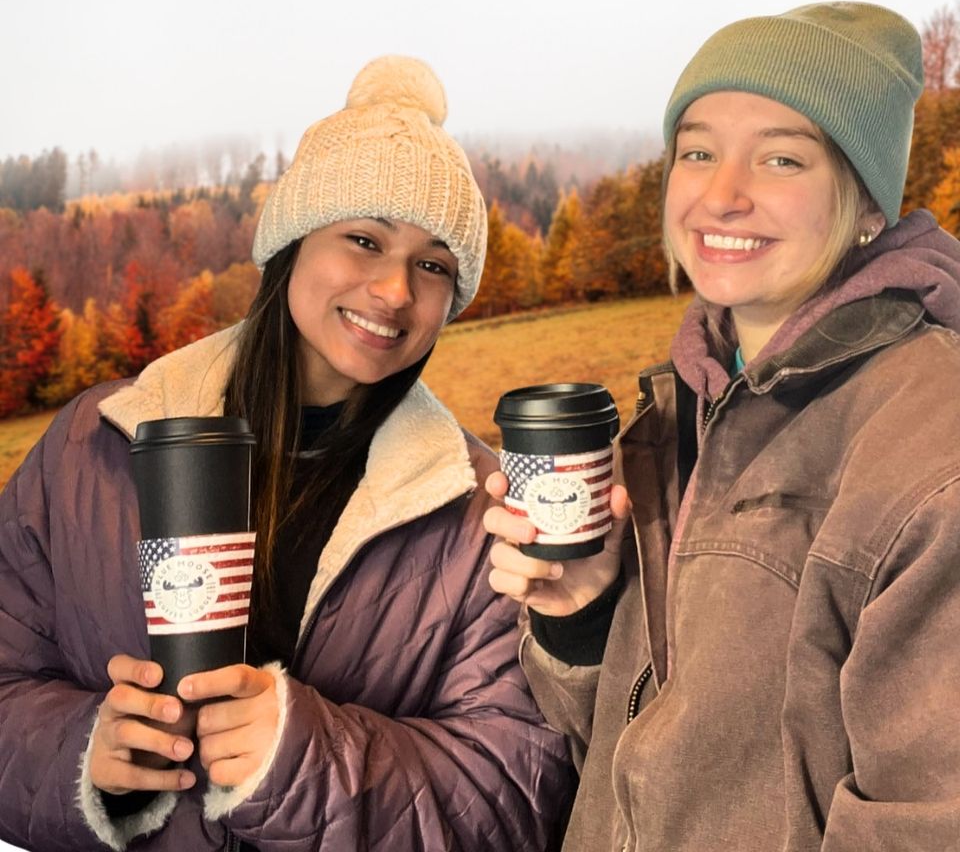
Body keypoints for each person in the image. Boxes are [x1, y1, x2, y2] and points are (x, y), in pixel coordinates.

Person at [0, 56, 572, 851]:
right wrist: (81, 754)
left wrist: (301, 759)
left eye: (434, 264)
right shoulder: (90, 448)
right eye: (364, 239)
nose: (397, 291)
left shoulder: (482, 510)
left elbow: (517, 795)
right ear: (292, 245)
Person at [484, 2, 960, 850]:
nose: (722, 194)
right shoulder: (682, 411)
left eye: (781, 158)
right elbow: (642, 766)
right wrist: (582, 617)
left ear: (867, 208)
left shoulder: (931, 442)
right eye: (698, 151)